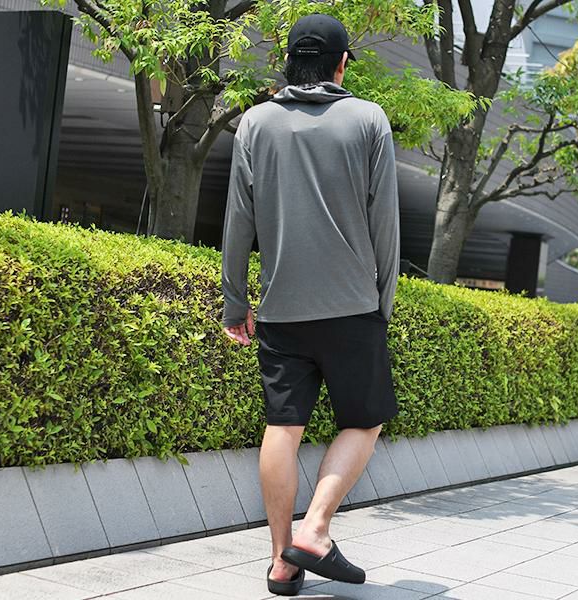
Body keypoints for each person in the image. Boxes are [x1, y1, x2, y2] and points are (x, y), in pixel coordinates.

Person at [221, 12, 400, 597]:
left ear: (288, 63)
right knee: (364, 420)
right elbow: (385, 224)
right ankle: (316, 529)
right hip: (352, 306)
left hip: (280, 310)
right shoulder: (368, 119)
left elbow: (237, 221)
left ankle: (282, 562)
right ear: (342, 63)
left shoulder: (255, 122)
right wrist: (383, 304)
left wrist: (235, 302)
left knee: (283, 426)